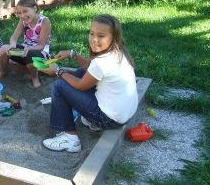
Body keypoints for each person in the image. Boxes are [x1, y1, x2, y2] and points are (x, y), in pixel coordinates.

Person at [41, 14, 138, 153]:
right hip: (123, 114)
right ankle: (85, 117)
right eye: (91, 33)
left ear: (113, 37)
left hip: (109, 120)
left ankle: (70, 139)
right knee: (81, 72)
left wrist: (58, 71)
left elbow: (81, 85)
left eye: (101, 36)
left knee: (59, 86)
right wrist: (72, 54)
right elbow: (90, 67)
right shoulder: (118, 52)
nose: (94, 39)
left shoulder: (102, 62)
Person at [0, 0, 51, 88]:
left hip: (40, 55)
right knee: (3, 49)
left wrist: (29, 48)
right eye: (19, 13)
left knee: (30, 55)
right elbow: (14, 37)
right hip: (23, 52)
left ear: (34, 9)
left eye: (25, 11)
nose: (22, 15)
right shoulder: (23, 20)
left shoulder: (44, 21)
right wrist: (12, 45)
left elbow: (41, 46)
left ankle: (34, 78)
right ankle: (3, 72)